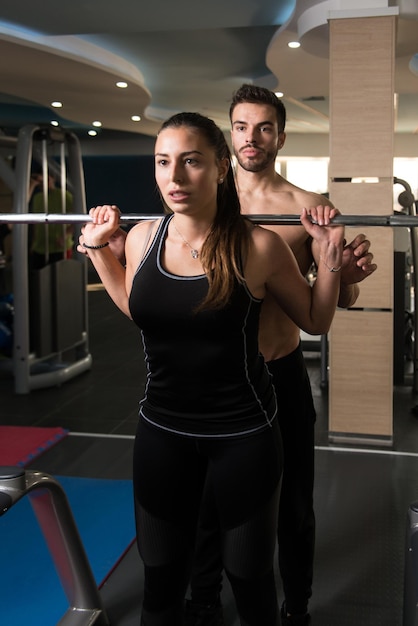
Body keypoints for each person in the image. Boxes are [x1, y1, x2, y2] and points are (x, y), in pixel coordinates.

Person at [79, 111, 344, 626]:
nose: (174, 178)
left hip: (243, 435)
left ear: (221, 167)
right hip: (161, 430)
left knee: (248, 582)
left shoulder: (258, 245)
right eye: (163, 162)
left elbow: (316, 319)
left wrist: (329, 256)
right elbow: (140, 310)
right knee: (160, 581)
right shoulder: (140, 239)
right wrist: (96, 251)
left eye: (191, 162)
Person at [183, 85, 377, 626]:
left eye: (264, 127)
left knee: (292, 503)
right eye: (242, 127)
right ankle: (202, 599)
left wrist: (349, 276)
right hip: (216, 376)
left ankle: (296, 606)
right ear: (230, 133)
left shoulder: (305, 209)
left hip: (279, 369)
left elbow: (341, 295)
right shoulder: (203, 200)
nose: (252, 138)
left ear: (280, 136)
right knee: (207, 500)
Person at [29, 171, 74, 269]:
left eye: (47, 179)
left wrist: (65, 235)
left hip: (59, 247)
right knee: (38, 279)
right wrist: (33, 243)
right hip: (40, 247)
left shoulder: (64, 195)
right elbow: (35, 224)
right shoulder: (37, 198)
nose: (44, 183)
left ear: (53, 179)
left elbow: (78, 219)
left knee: (60, 279)